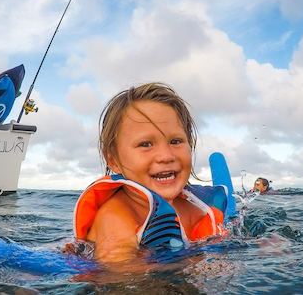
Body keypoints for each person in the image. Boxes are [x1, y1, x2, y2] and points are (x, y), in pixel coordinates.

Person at [72, 82, 231, 264]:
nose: (166, 156)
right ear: (113, 160)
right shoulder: (116, 219)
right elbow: (120, 282)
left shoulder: (195, 206)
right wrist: (193, 268)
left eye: (176, 141)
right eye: (146, 144)